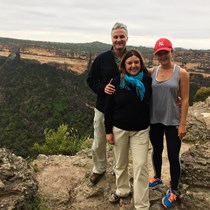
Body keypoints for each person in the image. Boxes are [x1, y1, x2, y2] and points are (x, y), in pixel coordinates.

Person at [105, 49, 152, 210]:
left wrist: (177, 99)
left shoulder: (147, 81)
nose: (133, 65)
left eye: (136, 62)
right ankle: (123, 190)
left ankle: (141, 205)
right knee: (120, 163)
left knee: (140, 166)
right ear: (124, 64)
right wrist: (108, 131)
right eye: (130, 63)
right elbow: (108, 108)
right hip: (119, 129)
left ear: (141, 63)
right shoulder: (116, 82)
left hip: (141, 130)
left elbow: (156, 100)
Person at [149, 38, 189, 208]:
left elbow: (185, 99)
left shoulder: (181, 73)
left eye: (165, 52)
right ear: (156, 56)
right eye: (159, 53)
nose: (163, 56)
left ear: (171, 51)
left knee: (173, 156)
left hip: (172, 120)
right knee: (157, 150)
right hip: (155, 119)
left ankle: (173, 190)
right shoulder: (152, 71)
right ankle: (157, 177)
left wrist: (183, 123)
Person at [86, 22, 128, 185]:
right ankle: (99, 169)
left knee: (120, 145)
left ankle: (119, 173)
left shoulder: (131, 57)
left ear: (126, 38)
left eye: (121, 36)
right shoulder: (102, 59)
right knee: (99, 142)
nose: (119, 40)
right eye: (116, 37)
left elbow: (142, 77)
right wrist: (103, 88)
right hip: (103, 108)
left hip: (122, 111)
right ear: (111, 39)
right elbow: (90, 79)